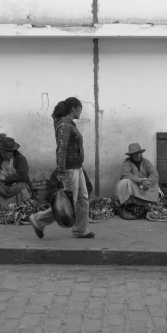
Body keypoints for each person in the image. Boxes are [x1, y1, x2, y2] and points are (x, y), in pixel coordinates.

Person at [50, 96, 93, 238]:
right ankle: (38, 219)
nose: (81, 112)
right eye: (80, 109)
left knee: (82, 198)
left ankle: (80, 230)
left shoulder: (69, 124)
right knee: (67, 203)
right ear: (73, 108)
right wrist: (61, 170)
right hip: (69, 169)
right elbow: (61, 149)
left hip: (77, 167)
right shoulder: (64, 125)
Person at [28, 168, 93, 237]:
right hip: (69, 167)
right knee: (68, 204)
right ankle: (39, 219)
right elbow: (53, 187)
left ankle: (80, 230)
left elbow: (89, 186)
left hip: (76, 165)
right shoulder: (61, 170)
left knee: (81, 197)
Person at [0, 137, 32, 205]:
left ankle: (20, 205)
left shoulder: (20, 159)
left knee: (23, 188)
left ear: (12, 152)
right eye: (1, 153)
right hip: (1, 184)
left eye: (4, 153)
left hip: (16, 184)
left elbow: (23, 175)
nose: (2, 155)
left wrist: (6, 178)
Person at [115, 143, 160, 219]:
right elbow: (126, 174)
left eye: (139, 153)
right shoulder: (127, 163)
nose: (138, 155)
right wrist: (140, 180)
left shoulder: (146, 162)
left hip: (144, 186)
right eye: (135, 154)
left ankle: (148, 202)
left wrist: (148, 182)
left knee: (155, 183)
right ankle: (126, 206)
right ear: (131, 155)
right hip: (134, 183)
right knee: (125, 182)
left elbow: (154, 174)